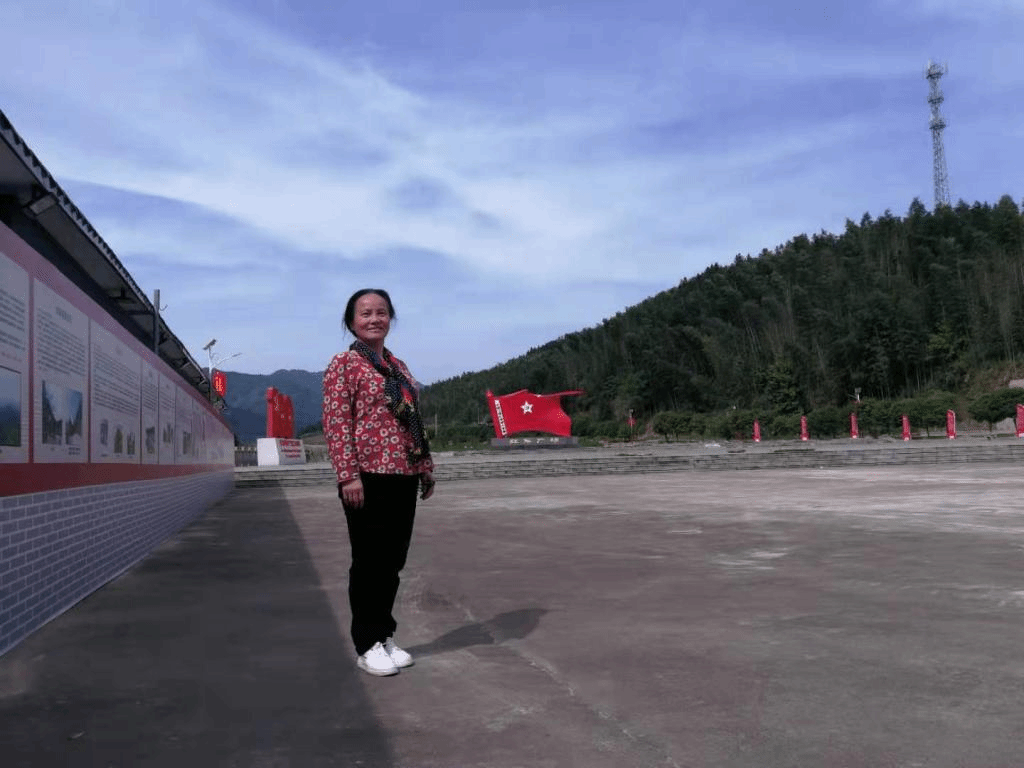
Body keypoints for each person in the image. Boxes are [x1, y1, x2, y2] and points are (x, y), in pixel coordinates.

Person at [322, 288, 435, 677]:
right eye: (366, 313)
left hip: (403, 473)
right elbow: (337, 423)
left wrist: (425, 465)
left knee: (392, 562)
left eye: (382, 312)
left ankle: (384, 635)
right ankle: (366, 643)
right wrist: (347, 475)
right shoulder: (344, 364)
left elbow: (412, 420)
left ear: (391, 318)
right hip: (366, 477)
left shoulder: (397, 367)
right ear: (351, 321)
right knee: (369, 562)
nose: (375, 319)